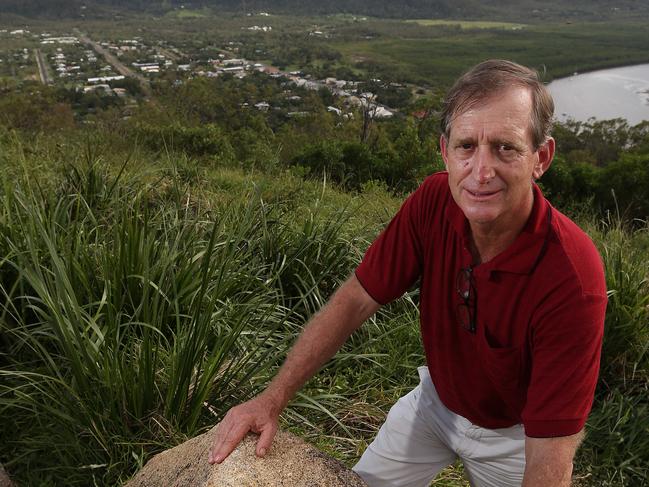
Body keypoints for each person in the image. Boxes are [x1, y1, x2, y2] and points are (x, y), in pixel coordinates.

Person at [207, 59, 607, 487]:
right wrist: (271, 399)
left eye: (505, 148)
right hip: (436, 403)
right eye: (467, 146)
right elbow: (356, 298)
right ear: (445, 152)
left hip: (515, 437)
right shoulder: (435, 202)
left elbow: (551, 452)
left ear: (541, 157)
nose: (481, 172)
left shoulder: (571, 279)